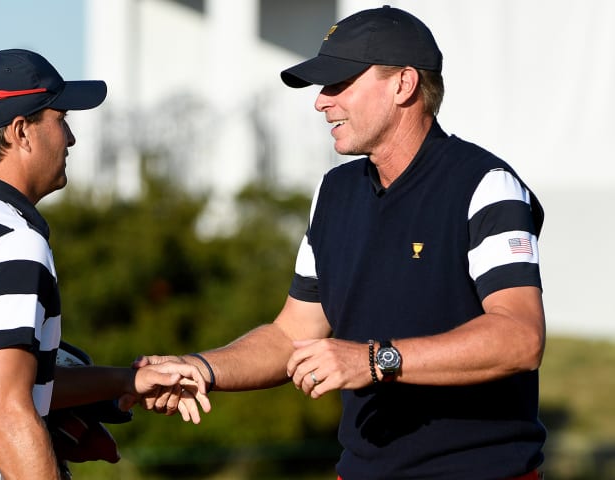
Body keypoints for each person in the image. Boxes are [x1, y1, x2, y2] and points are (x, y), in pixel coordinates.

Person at [138, 6, 547, 479]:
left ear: (404, 84)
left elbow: (520, 338)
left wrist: (376, 360)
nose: (321, 101)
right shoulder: (333, 193)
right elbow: (292, 333)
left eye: (339, 83)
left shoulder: (485, 185)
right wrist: (201, 368)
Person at [0, 49, 208, 480]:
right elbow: (9, 411)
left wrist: (127, 380)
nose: (71, 138)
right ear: (21, 132)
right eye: (61, 119)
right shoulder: (13, 241)